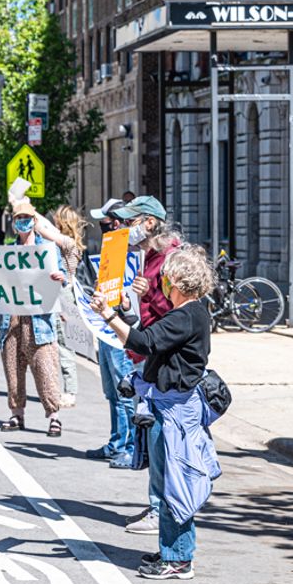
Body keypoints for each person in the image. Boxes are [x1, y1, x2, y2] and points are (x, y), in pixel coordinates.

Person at [90, 244, 217, 580]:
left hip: (176, 410)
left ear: (176, 281)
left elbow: (142, 342)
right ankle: (171, 550)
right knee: (167, 482)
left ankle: (178, 558)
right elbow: (152, 335)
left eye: (164, 278)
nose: (160, 282)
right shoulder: (189, 314)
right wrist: (127, 313)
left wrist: (108, 314)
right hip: (172, 406)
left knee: (175, 485)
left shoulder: (187, 316)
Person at [110, 196, 180, 534]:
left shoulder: (170, 259)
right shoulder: (149, 257)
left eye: (130, 221)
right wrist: (128, 304)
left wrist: (148, 293)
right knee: (150, 436)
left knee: (159, 438)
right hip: (147, 358)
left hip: (163, 365)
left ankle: (162, 511)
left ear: (149, 223)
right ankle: (155, 505)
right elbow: (148, 314)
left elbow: (178, 315)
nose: (125, 228)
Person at [0, 199, 68, 437]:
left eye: (26, 218)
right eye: (18, 219)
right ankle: (17, 414)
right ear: (13, 223)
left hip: (39, 319)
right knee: (13, 367)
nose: (23, 222)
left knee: (45, 367)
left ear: (34, 222)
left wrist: (61, 277)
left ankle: (54, 417)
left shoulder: (47, 249)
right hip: (13, 318)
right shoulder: (7, 251)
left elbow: (65, 273)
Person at [84, 198, 139, 469]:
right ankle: (117, 443)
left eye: (104, 222)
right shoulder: (110, 251)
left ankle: (130, 448)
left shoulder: (133, 252)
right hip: (106, 328)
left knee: (125, 391)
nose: (101, 227)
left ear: (116, 222)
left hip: (123, 331)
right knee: (112, 392)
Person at [52, 206, 85, 409]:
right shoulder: (63, 243)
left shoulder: (68, 244)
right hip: (58, 293)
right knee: (56, 344)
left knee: (64, 344)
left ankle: (70, 391)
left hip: (64, 295)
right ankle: (59, 388)